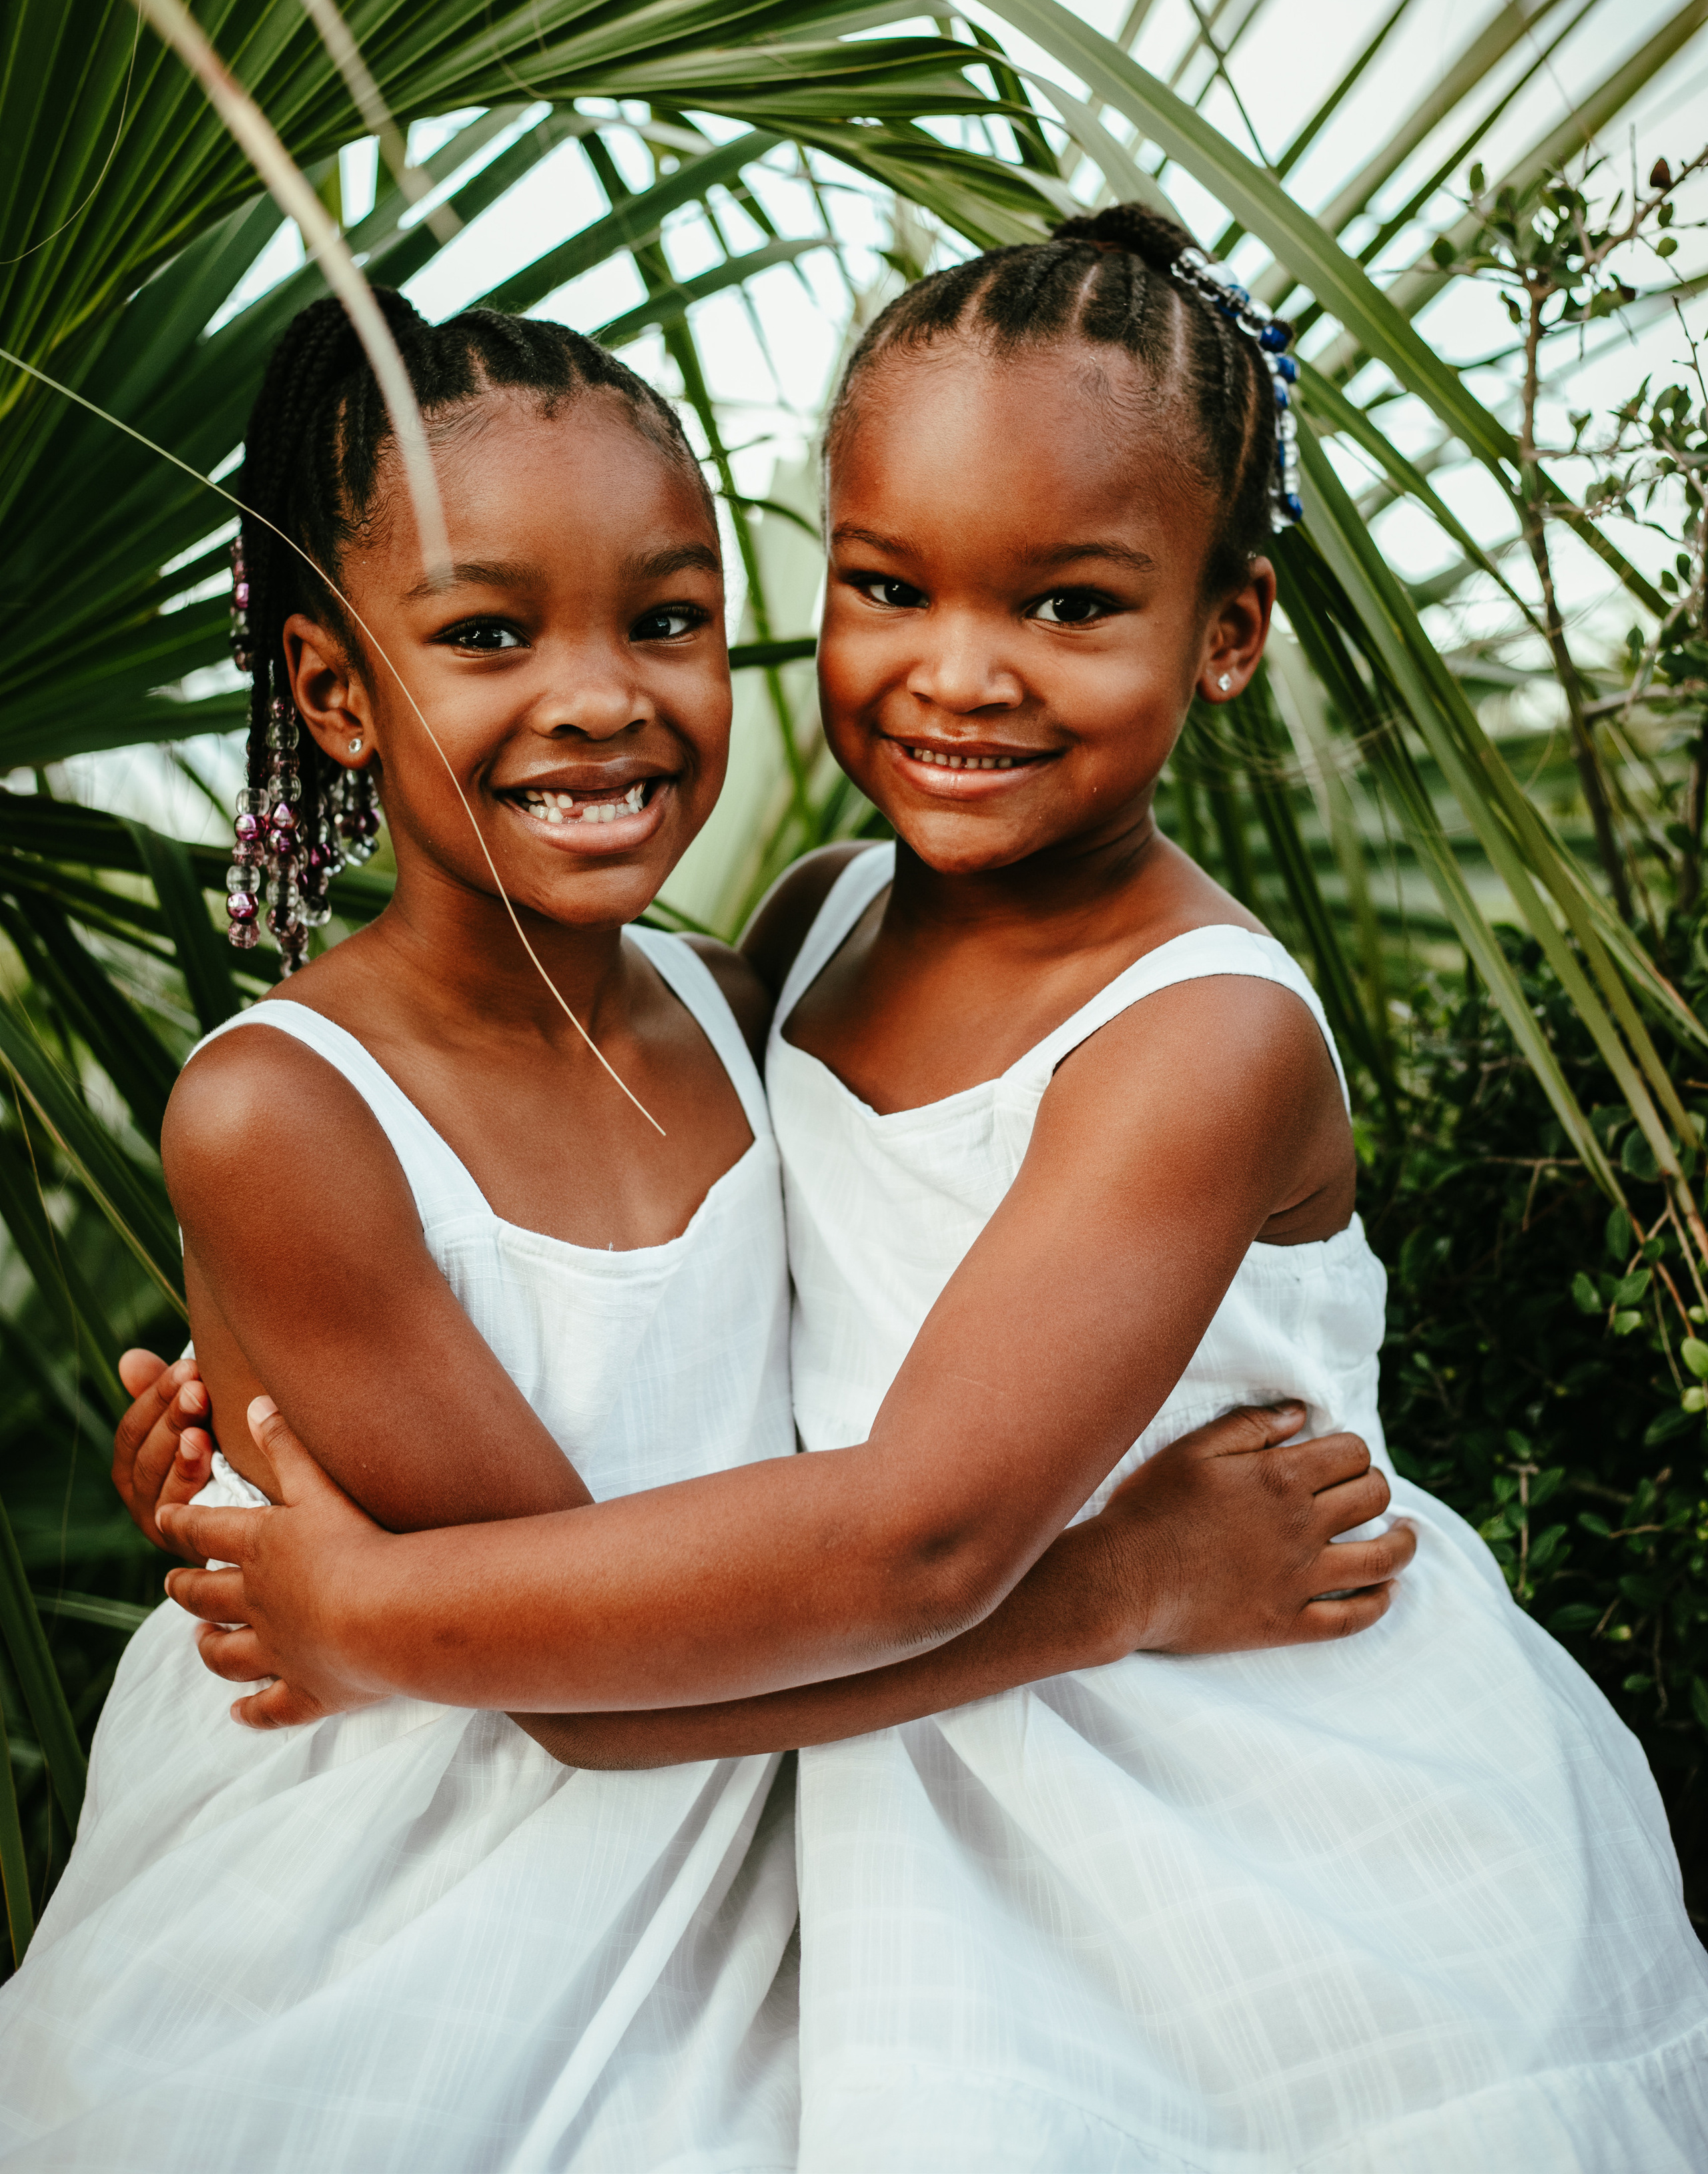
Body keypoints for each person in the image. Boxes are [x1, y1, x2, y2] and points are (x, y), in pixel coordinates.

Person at [160, 210, 1708, 2169]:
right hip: (889, 1790)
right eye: (891, 587)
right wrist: (235, 1409)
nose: (960, 674)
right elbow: (566, 1274)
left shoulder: (1197, 1042)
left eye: (1069, 604)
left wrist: (371, 1604)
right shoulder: (803, 941)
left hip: (1238, 1791)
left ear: (1228, 631)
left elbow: (917, 1540)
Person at [0, 288, 1393, 2173]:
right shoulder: (282, 1117)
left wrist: (305, 1513)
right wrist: (1115, 1585)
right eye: (488, 634)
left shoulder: (743, 999)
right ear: (334, 690)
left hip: (737, 1896)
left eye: (664, 621)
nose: (599, 697)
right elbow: (572, 1682)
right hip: (382, 1927)